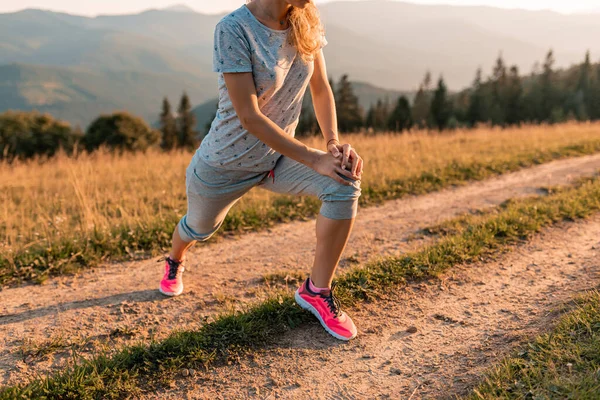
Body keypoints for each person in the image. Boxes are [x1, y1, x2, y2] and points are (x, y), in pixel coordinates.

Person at [159, 0, 364, 341]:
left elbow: (321, 88)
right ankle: (174, 258)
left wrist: (332, 145)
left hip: (279, 157)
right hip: (224, 164)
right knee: (197, 228)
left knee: (343, 183)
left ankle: (317, 290)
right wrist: (313, 158)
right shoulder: (234, 28)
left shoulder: (306, 20)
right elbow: (249, 116)